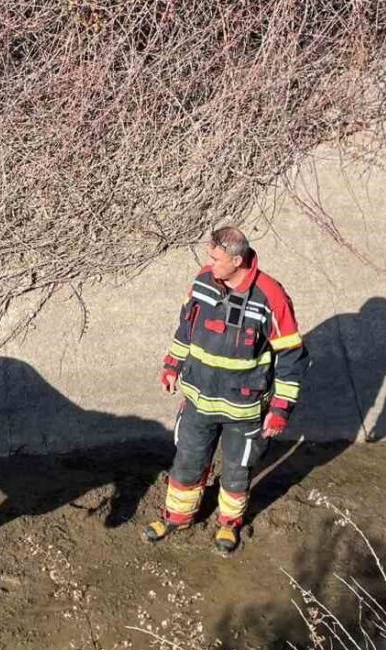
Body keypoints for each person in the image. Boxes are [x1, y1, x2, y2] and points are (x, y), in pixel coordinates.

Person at [144, 226, 308, 554]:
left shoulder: (271, 295)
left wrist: (279, 410)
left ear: (237, 260)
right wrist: (172, 365)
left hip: (244, 410)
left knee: (237, 471)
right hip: (198, 402)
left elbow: (292, 356)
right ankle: (177, 516)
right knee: (187, 462)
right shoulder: (203, 281)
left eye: (216, 258)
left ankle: (228, 525)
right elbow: (185, 328)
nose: (209, 263)